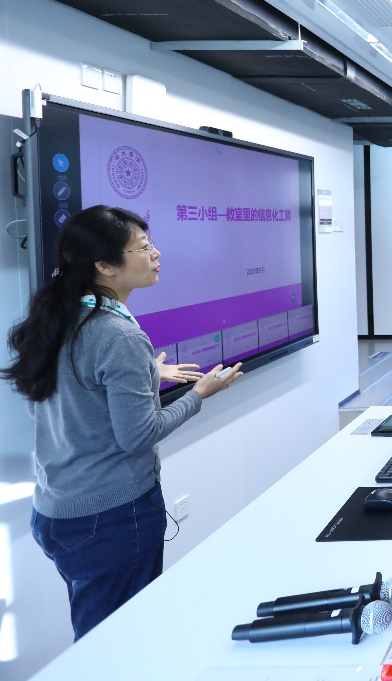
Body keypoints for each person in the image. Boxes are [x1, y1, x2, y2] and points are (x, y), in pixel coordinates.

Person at [2, 206, 242, 639]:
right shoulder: (119, 335)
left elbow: (75, 394)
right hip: (110, 518)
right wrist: (199, 395)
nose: (156, 254)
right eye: (144, 247)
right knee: (114, 644)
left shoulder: (60, 316)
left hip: (57, 511)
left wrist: (148, 372)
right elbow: (139, 436)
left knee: (99, 631)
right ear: (106, 265)